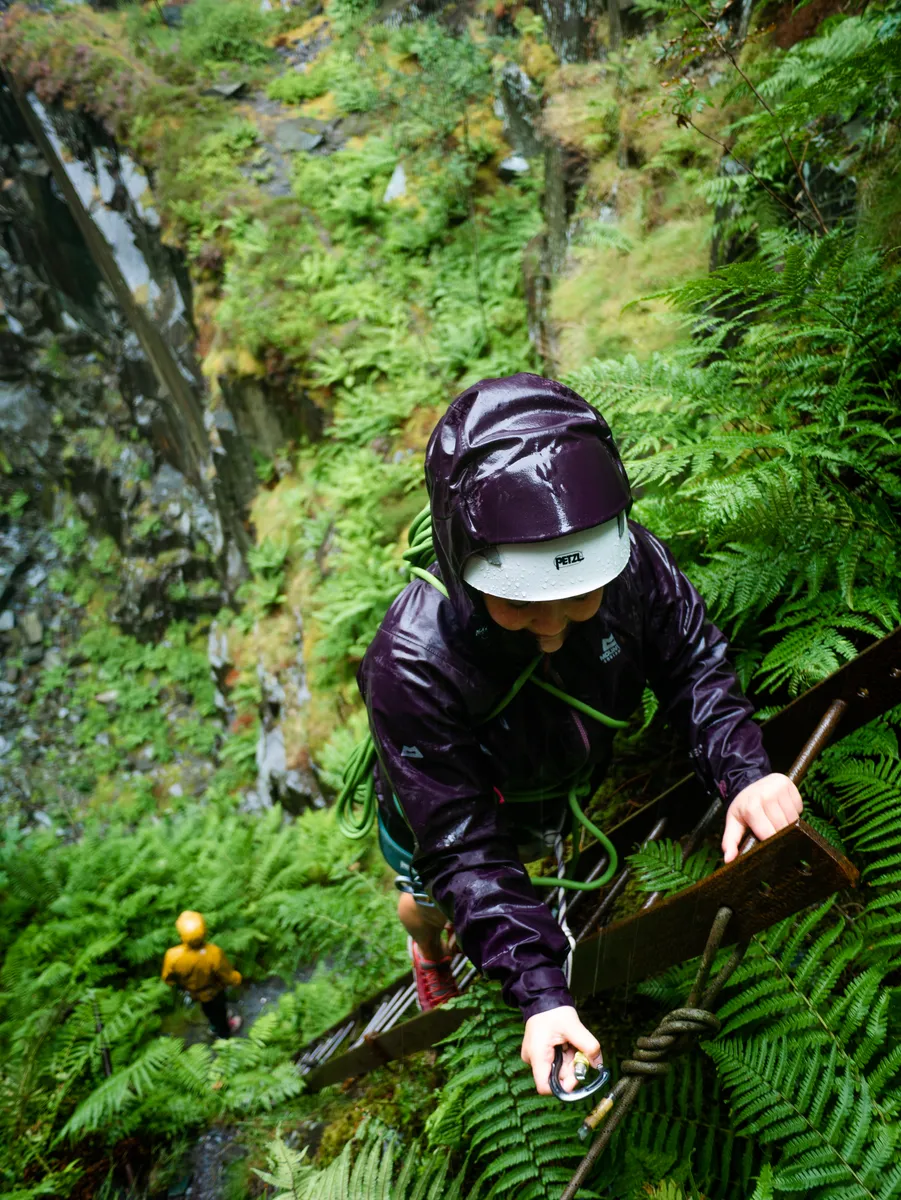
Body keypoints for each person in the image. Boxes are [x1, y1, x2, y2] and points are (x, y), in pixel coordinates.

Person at [357, 373, 802, 1096]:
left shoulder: (629, 565)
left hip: (555, 779)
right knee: (428, 895)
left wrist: (742, 773)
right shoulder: (410, 664)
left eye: (578, 597)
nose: (554, 625)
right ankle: (426, 950)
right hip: (439, 805)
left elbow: (690, 661)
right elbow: (461, 845)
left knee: (525, 857)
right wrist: (541, 993)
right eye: (521, 602)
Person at [161, 911, 243, 1039]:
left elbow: (168, 978)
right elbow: (228, 976)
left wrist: (183, 985)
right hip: (214, 992)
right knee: (219, 1010)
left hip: (194, 993)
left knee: (207, 1010)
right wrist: (237, 979)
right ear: (204, 931)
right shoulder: (214, 953)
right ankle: (224, 1034)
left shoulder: (172, 956)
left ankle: (213, 1027)